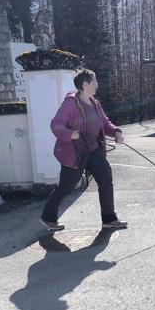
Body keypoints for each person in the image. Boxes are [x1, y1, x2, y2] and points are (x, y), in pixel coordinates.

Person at [40, 69, 128, 232]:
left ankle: (109, 219)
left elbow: (105, 122)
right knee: (67, 186)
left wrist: (116, 132)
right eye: (94, 81)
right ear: (85, 84)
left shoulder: (95, 103)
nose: (97, 84)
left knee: (105, 179)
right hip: (75, 153)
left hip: (94, 150)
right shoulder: (70, 104)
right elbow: (56, 124)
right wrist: (69, 134)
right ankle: (48, 217)